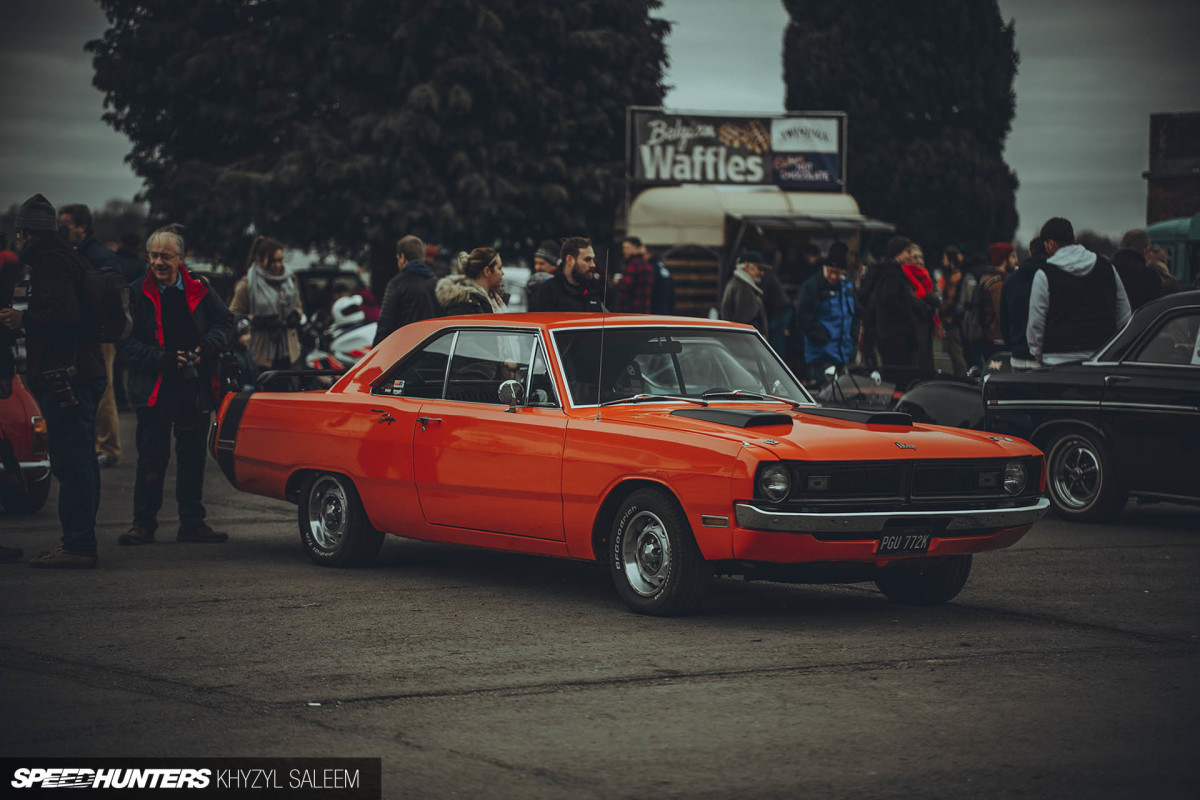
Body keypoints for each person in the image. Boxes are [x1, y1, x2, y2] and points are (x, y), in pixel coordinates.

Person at [0, 194, 106, 568]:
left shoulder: (50, 263)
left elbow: (65, 313)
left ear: (26, 232)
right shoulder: (69, 257)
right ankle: (81, 540)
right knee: (83, 459)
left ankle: (78, 545)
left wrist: (21, 320)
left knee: (72, 461)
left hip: (67, 377)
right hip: (84, 373)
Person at [117, 225, 233, 546]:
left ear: (181, 258)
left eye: (165, 256)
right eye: (153, 255)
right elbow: (125, 346)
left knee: (193, 456)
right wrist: (163, 359)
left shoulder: (200, 289)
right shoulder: (136, 292)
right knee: (151, 459)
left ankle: (192, 523)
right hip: (154, 388)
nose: (158, 262)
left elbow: (226, 322)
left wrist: (207, 347)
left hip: (193, 387)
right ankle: (143, 525)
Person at [60, 204, 123, 468]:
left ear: (81, 227)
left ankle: (108, 445)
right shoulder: (90, 253)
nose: (62, 230)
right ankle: (103, 444)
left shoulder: (96, 256)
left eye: (66, 225)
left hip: (100, 333)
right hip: (95, 330)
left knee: (103, 386)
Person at [1027, 217, 1131, 367]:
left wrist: (1037, 354)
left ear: (1051, 244)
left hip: (1057, 358)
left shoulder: (1045, 274)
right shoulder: (1106, 267)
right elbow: (1124, 313)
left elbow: (1036, 323)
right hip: (1100, 356)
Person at [230, 237, 303, 370]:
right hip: (261, 352)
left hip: (289, 350)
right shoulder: (248, 284)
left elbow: (298, 305)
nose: (277, 265)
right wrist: (256, 320)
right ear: (260, 259)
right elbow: (234, 314)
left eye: (280, 260)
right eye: (272, 261)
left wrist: (296, 315)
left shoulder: (290, 280)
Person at [862, 235, 925, 376]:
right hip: (896, 334)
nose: (910, 256)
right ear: (898, 253)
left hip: (887, 333)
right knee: (898, 374)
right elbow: (889, 300)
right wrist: (908, 315)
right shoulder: (893, 274)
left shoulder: (886, 271)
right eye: (907, 252)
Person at [794, 254, 857, 384]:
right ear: (823, 268)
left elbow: (856, 314)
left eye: (838, 273)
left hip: (844, 354)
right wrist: (822, 336)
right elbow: (803, 317)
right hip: (821, 354)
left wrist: (853, 336)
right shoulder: (812, 286)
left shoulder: (847, 288)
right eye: (830, 271)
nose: (833, 277)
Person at [372, 234, 439, 346]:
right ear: (422, 257)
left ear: (402, 257)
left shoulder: (397, 283)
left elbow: (385, 325)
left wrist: (374, 354)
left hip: (406, 352)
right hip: (433, 350)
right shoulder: (436, 282)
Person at [999, 238, 1046, 371]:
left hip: (1018, 355)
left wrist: (1013, 345)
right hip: (1045, 358)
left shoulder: (1011, 280)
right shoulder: (1052, 277)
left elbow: (1004, 320)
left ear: (1030, 252)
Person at [528, 237, 605, 313]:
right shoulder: (546, 293)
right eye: (587, 259)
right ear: (570, 260)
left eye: (593, 259)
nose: (593, 265)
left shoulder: (592, 290)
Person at [900, 244, 939, 373]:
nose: (918, 260)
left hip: (926, 322)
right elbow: (914, 300)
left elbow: (932, 296)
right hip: (913, 324)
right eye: (915, 257)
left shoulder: (925, 275)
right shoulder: (905, 274)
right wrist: (928, 300)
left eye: (920, 257)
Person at [437, 247, 506, 315]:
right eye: (499, 268)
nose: (502, 273)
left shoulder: (495, 297)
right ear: (486, 271)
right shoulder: (464, 303)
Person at [1111, 229, 1165, 311]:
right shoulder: (1150, 276)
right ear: (1145, 250)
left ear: (1120, 248)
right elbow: (1156, 310)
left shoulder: (1106, 271)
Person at [719, 251, 769, 335]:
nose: (762, 273)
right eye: (759, 268)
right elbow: (745, 324)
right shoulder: (742, 288)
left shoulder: (738, 284)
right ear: (746, 266)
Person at [981, 243, 1015, 358]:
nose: (1015, 260)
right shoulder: (997, 284)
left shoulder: (988, 278)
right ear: (1004, 259)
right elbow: (1001, 313)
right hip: (996, 338)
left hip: (991, 337)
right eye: (1012, 257)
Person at [938, 246, 967, 375]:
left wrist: (942, 309)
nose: (943, 261)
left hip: (951, 319)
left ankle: (962, 378)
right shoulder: (958, 274)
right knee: (955, 352)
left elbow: (950, 298)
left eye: (945, 258)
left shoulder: (954, 277)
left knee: (955, 353)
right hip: (954, 318)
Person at [615, 236, 653, 313]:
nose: (624, 250)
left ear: (636, 248)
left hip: (632, 309)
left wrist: (617, 281)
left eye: (627, 248)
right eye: (623, 248)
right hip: (644, 309)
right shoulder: (646, 264)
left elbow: (625, 285)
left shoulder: (634, 264)